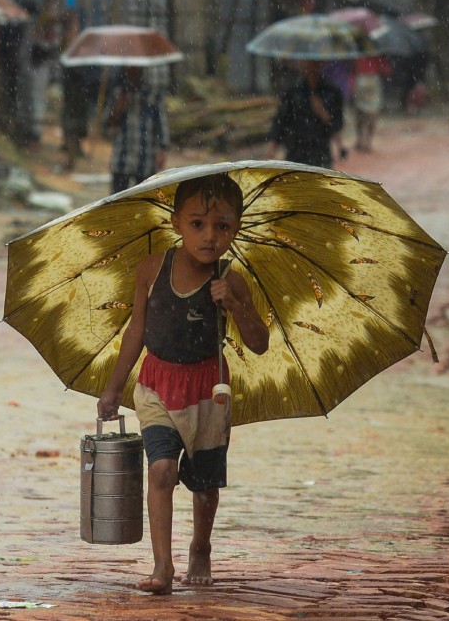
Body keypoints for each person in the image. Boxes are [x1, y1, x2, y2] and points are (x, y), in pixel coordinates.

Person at [96, 174, 269, 595]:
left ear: (237, 228)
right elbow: (136, 330)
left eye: (222, 226)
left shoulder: (231, 279)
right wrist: (115, 388)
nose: (210, 237)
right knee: (161, 469)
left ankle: (201, 546)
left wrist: (233, 303)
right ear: (175, 223)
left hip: (209, 392)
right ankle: (162, 566)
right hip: (156, 384)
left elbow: (259, 343)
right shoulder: (151, 269)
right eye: (197, 224)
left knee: (205, 483)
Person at [268, 60, 344, 169]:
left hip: (321, 157)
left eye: (314, 62)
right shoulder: (292, 92)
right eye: (306, 62)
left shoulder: (332, 93)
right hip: (295, 156)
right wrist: (271, 149)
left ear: (322, 64)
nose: (310, 66)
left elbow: (337, 125)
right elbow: (280, 122)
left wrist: (323, 114)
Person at [107, 66, 170, 193]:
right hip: (122, 156)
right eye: (129, 69)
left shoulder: (153, 94)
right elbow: (109, 126)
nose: (132, 71)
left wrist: (163, 148)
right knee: (116, 201)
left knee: (144, 202)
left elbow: (161, 121)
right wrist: (117, 109)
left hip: (146, 156)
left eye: (136, 69)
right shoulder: (118, 93)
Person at [352, 54, 392, 152]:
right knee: (373, 111)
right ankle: (368, 141)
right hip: (373, 79)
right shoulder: (377, 50)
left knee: (359, 111)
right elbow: (386, 70)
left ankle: (360, 139)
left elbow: (352, 67)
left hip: (360, 79)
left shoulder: (357, 50)